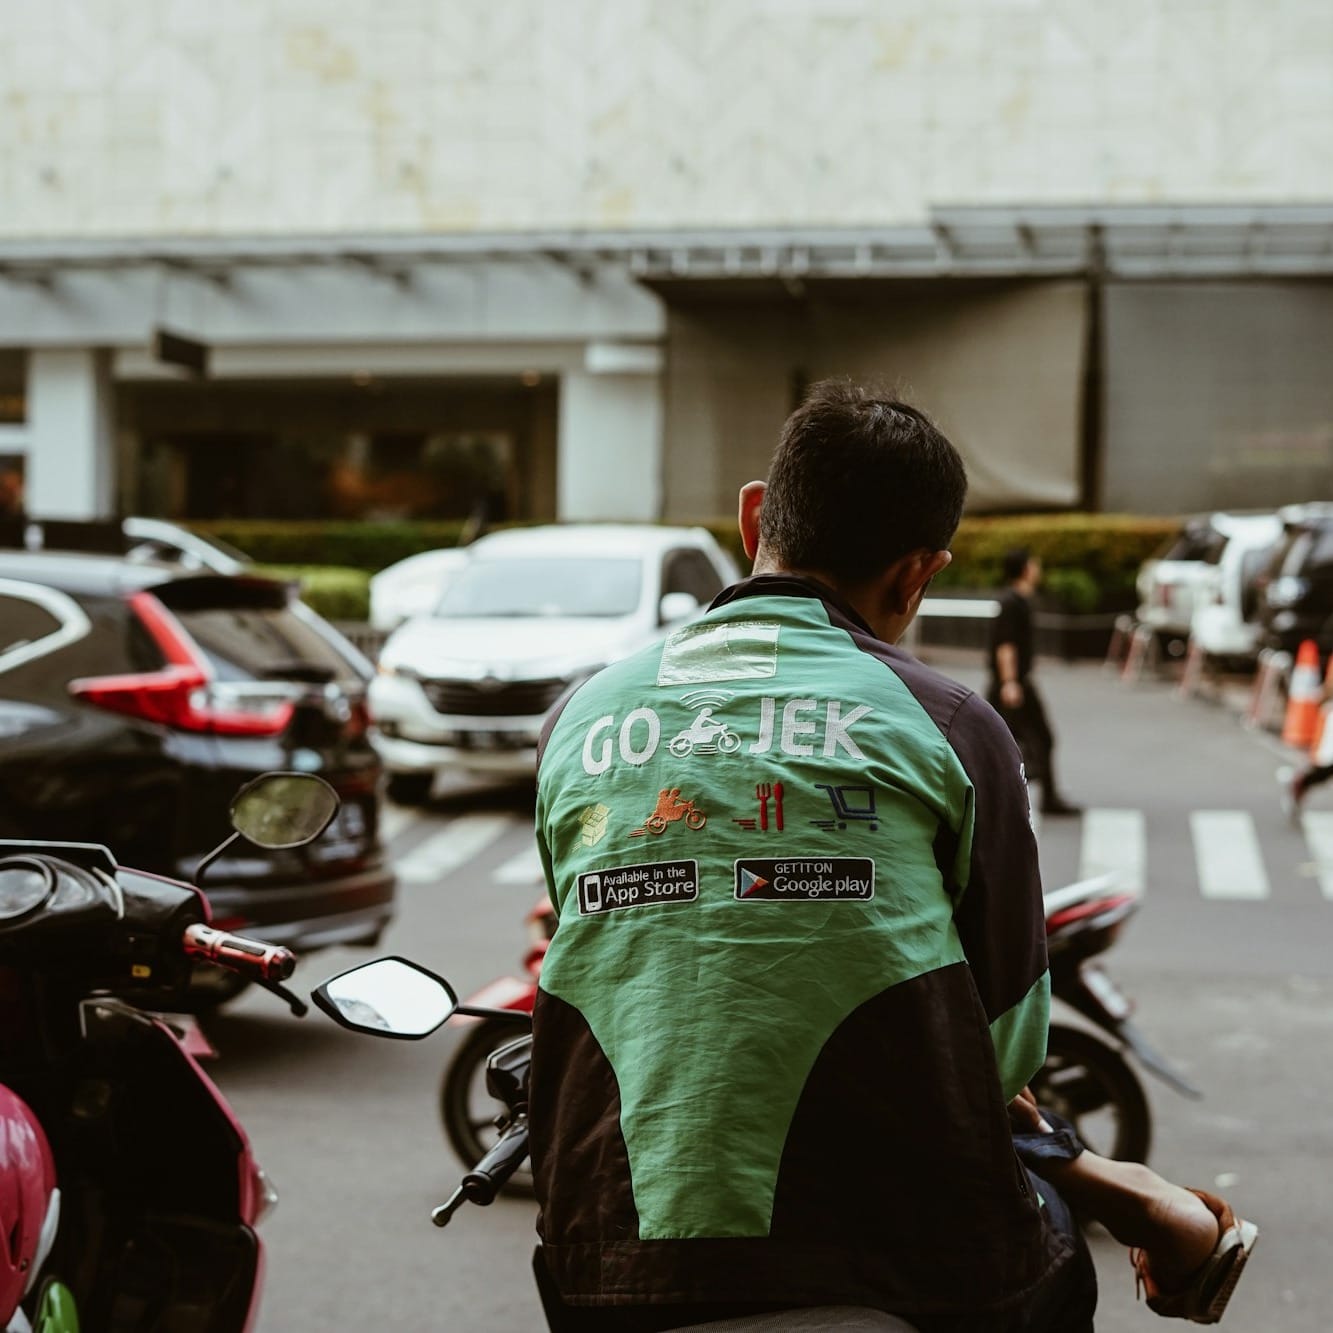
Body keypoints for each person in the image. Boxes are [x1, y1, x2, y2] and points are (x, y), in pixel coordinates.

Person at [528, 381, 1255, 1331]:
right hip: (901, 1257)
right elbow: (1005, 1039)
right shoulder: (949, 722)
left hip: (601, 1258)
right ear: (918, 573)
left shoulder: (575, 719)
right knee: (1051, 1273)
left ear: (754, 517)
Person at [987, 548, 1082, 817]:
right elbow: (1005, 646)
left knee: (1036, 739)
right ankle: (1009, 797)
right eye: (1034, 564)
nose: (1038, 569)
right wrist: (1010, 682)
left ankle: (1045, 797)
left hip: (1018, 682)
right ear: (1026, 569)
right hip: (1012, 684)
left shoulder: (1020, 600)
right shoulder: (1012, 603)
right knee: (1013, 742)